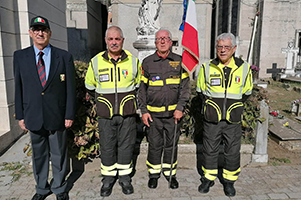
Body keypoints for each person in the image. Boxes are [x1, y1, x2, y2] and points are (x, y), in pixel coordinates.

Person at [14, 16, 75, 200]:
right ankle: (41, 188)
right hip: (33, 114)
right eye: (36, 29)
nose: (40, 33)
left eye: (44, 29)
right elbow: (18, 87)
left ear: (49, 33)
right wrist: (20, 115)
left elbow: (70, 89)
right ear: (31, 33)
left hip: (57, 115)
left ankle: (59, 187)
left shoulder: (64, 57)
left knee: (58, 154)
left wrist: (69, 114)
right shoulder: (20, 56)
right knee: (38, 155)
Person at [84, 26, 141, 197]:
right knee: (107, 146)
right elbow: (89, 85)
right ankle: (108, 179)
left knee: (126, 145)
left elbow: (138, 85)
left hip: (127, 115)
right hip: (105, 115)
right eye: (111, 39)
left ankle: (125, 178)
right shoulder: (95, 61)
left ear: (122, 40)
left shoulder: (133, 61)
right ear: (106, 41)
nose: (114, 42)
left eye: (117, 39)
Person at [196, 33, 253, 197]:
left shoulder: (244, 67)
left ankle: (229, 182)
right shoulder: (206, 67)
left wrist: (231, 107)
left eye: (226, 47)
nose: (222, 50)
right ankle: (208, 179)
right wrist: (212, 107)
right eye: (219, 46)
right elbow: (201, 91)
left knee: (232, 151)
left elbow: (247, 92)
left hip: (233, 119)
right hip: (212, 118)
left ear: (234, 49)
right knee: (209, 149)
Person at [138, 29, 190, 189]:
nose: (162, 41)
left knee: (171, 145)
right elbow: (142, 89)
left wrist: (180, 108)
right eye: (159, 39)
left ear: (170, 42)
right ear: (155, 43)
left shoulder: (180, 61)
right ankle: (153, 175)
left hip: (173, 115)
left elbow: (185, 88)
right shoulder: (147, 62)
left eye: (165, 38)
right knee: (154, 145)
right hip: (153, 116)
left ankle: (170, 174)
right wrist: (144, 111)